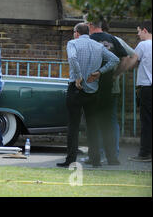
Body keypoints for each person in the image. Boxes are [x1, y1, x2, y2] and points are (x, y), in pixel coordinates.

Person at [57, 23, 119, 168]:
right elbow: (115, 59)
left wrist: (78, 76)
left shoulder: (72, 43)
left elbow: (72, 59)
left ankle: (70, 160)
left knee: (73, 125)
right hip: (93, 90)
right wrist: (100, 72)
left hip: (76, 88)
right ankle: (96, 160)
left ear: (77, 33)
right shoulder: (98, 46)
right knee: (92, 126)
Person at [87, 20, 128, 164]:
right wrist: (116, 74)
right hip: (108, 86)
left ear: (91, 25)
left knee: (92, 122)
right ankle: (112, 158)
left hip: (91, 87)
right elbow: (125, 58)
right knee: (108, 123)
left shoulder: (88, 39)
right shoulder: (113, 39)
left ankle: (94, 158)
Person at [126, 20, 152, 162]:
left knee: (147, 122)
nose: (137, 34)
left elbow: (132, 62)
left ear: (145, 30)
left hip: (147, 87)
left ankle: (144, 154)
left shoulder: (143, 45)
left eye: (138, 31)